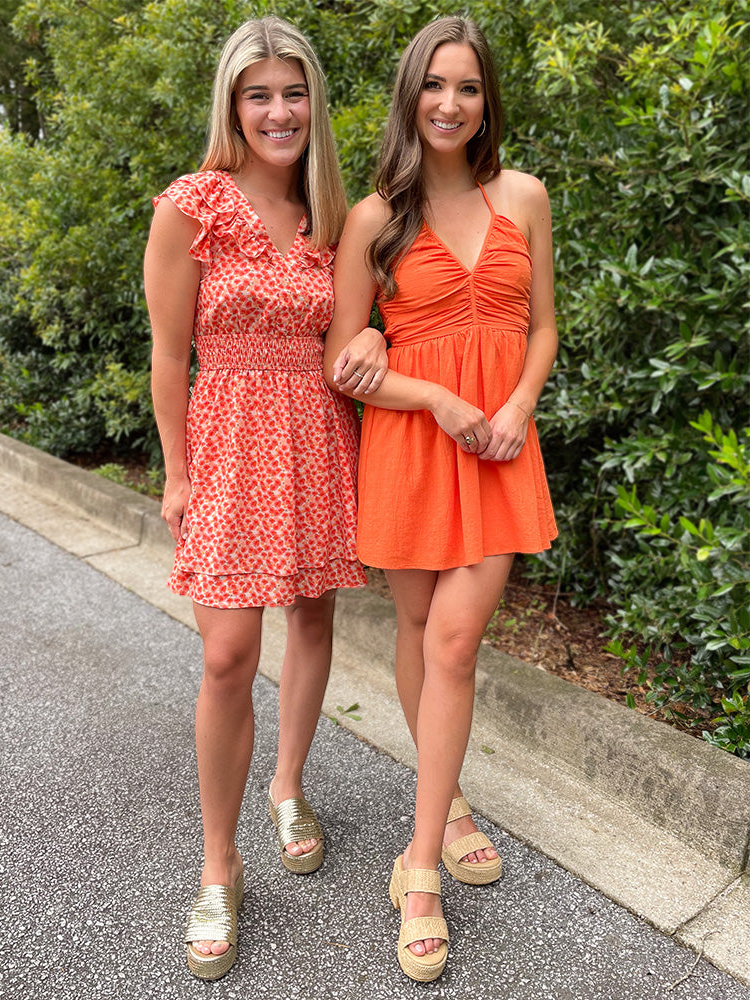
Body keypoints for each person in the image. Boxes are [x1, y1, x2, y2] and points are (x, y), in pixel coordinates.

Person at [144, 17, 386, 981]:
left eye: (293, 94)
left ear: (312, 104)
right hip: (228, 446)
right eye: (259, 95)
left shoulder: (335, 217)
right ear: (233, 105)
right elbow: (169, 355)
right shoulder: (192, 205)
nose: (279, 112)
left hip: (319, 438)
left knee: (313, 619)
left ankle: (288, 786)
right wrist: (178, 472)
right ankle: (220, 864)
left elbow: (357, 330)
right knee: (227, 655)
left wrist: (375, 343)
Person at [325, 16, 558, 982]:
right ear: (410, 95)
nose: (450, 103)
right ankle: (449, 803)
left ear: (486, 101)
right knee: (419, 632)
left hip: (499, 447)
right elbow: (344, 360)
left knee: (454, 643)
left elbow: (542, 328)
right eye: (434, 85)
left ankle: (417, 871)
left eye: (467, 87)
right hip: (414, 449)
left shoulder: (525, 196)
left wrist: (516, 405)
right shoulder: (374, 218)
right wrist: (432, 394)